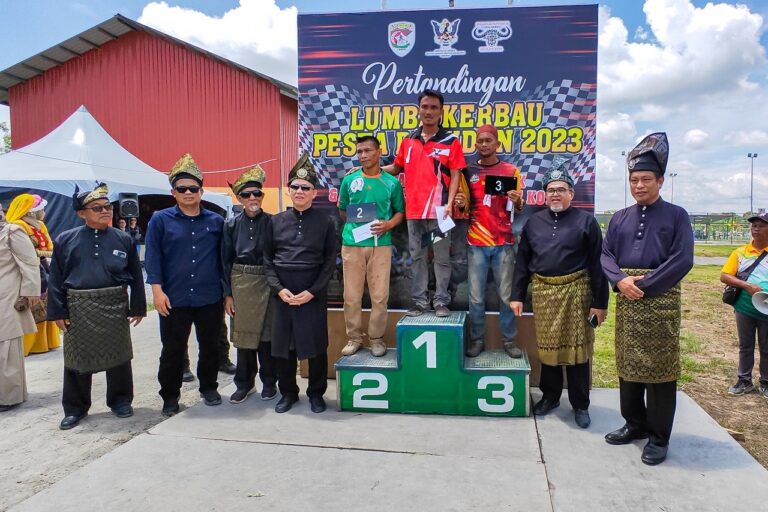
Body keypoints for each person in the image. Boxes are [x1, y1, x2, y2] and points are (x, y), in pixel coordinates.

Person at [601, 132, 694, 465]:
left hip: (660, 302)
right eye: (634, 180)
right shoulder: (619, 217)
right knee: (628, 364)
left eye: (645, 180)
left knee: (659, 370)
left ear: (660, 181)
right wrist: (620, 281)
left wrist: (645, 284)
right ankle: (634, 424)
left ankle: (658, 436)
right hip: (627, 299)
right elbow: (606, 254)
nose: (639, 185)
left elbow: (682, 259)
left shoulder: (677, 215)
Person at [510, 158, 608, 428]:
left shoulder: (587, 222)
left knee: (578, 352)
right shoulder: (534, 223)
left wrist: (600, 303)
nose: (555, 194)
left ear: (571, 194)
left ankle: (580, 404)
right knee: (548, 349)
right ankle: (550, 397)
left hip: (577, 292)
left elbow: (598, 265)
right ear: (545, 194)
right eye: (551, 190)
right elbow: (522, 262)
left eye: (561, 189)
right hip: (544, 293)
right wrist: (517, 295)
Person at [47, 183, 146, 429]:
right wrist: (58, 311)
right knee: (77, 360)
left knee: (119, 357)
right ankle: (75, 408)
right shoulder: (65, 240)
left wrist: (138, 307)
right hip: (79, 308)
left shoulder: (123, 239)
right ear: (82, 213)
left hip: (114, 305)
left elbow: (136, 275)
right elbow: (56, 279)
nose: (105, 211)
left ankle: (121, 401)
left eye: (107, 207)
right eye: (97, 208)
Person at [145, 154, 225, 416]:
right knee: (172, 350)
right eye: (182, 189)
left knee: (210, 346)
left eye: (193, 188)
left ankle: (209, 387)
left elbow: (223, 260)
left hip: (209, 296)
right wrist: (156, 291)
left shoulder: (216, 221)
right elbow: (153, 257)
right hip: (173, 297)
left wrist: (227, 294)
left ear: (201, 191)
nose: (188, 193)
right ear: (173, 193)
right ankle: (170, 396)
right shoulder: (160, 220)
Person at [264, 152, 336, 413]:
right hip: (282, 293)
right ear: (288, 189)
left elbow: (329, 262)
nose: (299, 191)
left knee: (316, 346)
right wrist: (279, 289)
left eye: (305, 188)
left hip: (312, 293)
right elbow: (267, 260)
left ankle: (316, 393)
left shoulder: (326, 222)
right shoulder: (275, 221)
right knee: (283, 347)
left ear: (314, 192)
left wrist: (312, 292)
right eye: (295, 186)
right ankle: (288, 393)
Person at [384, 89, 466, 317]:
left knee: (441, 259)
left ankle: (441, 301)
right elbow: (396, 168)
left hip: (440, 212)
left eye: (434, 107)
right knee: (418, 257)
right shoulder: (408, 140)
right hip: (414, 213)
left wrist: (450, 204)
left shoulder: (451, 141)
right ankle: (420, 302)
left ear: (441, 112)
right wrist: (370, 170)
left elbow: (457, 175)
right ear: (418, 110)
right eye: (425, 107)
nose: (429, 111)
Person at [454, 125, 524, 358]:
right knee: (476, 297)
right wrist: (461, 203)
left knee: (506, 296)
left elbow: (518, 208)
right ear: (475, 144)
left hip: (504, 243)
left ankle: (509, 341)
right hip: (476, 243)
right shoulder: (467, 171)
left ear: (497, 144)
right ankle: (476, 340)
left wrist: (517, 200)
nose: (483, 144)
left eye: (488, 141)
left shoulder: (510, 171)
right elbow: (463, 208)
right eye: (480, 141)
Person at [338, 136, 405, 357]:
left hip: (381, 245)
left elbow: (400, 212)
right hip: (352, 244)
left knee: (379, 296)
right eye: (359, 152)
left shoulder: (391, 183)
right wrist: (357, 225)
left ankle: (377, 339)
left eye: (368, 150)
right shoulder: (350, 180)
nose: (363, 155)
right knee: (351, 296)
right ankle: (354, 338)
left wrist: (388, 225)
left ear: (379, 152)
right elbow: (342, 210)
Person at [222, 165, 279, 403]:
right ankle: (244, 384)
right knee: (244, 340)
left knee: (267, 338)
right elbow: (225, 261)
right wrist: (228, 294)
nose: (253, 198)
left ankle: (269, 382)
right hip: (241, 282)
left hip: (268, 281)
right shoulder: (231, 225)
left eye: (257, 193)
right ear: (240, 198)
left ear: (262, 196)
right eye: (247, 194)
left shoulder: (274, 222)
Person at [5, 193, 61, 356]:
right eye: (41, 209)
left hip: (43, 269)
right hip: (24, 272)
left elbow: (49, 247)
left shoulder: (40, 226)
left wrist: (44, 253)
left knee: (45, 305)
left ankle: (45, 342)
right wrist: (41, 253)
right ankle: (27, 346)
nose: (44, 212)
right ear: (31, 212)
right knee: (29, 307)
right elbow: (26, 253)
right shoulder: (17, 228)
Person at [720, 212, 768, 397]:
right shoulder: (740, 253)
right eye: (754, 226)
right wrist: (746, 286)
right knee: (745, 345)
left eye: (761, 226)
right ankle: (744, 380)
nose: (756, 229)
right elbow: (725, 276)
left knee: (766, 347)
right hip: (744, 308)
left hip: (766, 309)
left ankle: (765, 382)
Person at [0, 203, 41, 412]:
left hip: (7, 295)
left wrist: (31, 291)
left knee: (6, 343)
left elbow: (30, 262)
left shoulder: (12, 231)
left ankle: (8, 396)